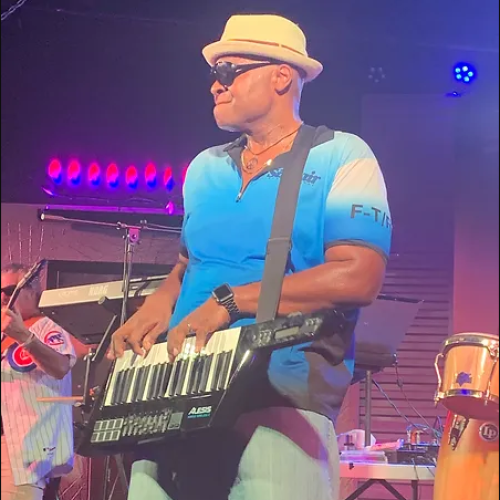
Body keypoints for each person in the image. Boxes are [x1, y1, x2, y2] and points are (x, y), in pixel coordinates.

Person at [109, 13, 392, 500]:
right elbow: (187, 263)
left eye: (228, 71)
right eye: (212, 75)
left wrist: (233, 301)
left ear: (282, 75)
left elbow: (359, 275)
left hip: (277, 402)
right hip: (175, 397)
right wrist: (156, 306)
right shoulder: (203, 168)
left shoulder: (342, 155)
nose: (215, 86)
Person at [1, 263, 76, 500]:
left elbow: (61, 367)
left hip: (20, 452)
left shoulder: (48, 328)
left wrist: (24, 336)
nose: (3, 296)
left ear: (33, 291)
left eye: (10, 289)